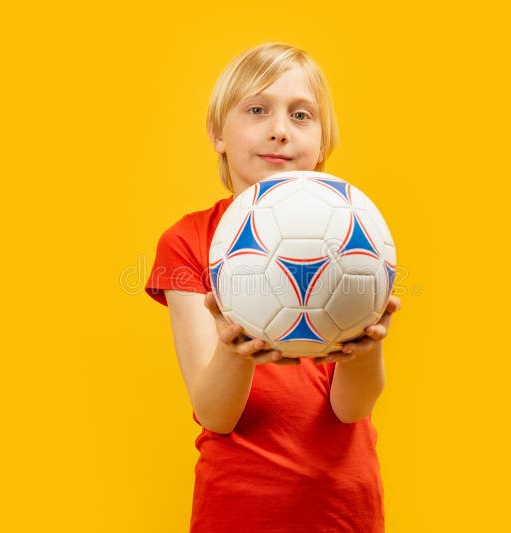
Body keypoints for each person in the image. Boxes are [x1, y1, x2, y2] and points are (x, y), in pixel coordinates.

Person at [145, 42, 401, 533]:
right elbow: (214, 414)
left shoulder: (355, 237)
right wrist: (234, 351)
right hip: (238, 509)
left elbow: (352, 409)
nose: (280, 130)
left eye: (301, 115)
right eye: (257, 110)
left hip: (344, 507)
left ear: (323, 143)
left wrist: (367, 349)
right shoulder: (188, 241)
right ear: (218, 132)